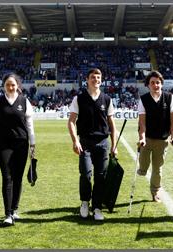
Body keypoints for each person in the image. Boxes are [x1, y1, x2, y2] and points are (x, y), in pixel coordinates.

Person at [0, 73, 35, 227]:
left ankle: (14, 209)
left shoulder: (24, 101)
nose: (10, 87)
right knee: (7, 177)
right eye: (7, 84)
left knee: (18, 178)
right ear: (4, 86)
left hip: (22, 144)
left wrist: (32, 144)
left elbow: (30, 124)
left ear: (18, 86)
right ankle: (7, 214)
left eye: (13, 84)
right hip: (4, 144)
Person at [68, 68, 117, 221]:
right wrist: (75, 141)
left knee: (101, 177)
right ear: (87, 80)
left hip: (103, 143)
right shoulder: (79, 99)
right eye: (93, 77)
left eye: (98, 77)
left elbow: (112, 126)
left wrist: (114, 145)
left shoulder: (107, 99)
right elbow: (71, 122)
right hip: (85, 143)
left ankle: (97, 207)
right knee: (85, 174)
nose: (96, 79)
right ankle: (84, 203)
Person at [136, 70, 173, 202]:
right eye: (152, 83)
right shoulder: (143, 100)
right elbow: (142, 123)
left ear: (161, 84)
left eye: (158, 83)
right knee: (143, 165)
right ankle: (142, 169)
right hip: (147, 138)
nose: (156, 85)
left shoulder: (169, 98)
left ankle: (155, 192)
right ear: (148, 85)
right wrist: (142, 138)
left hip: (162, 140)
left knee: (157, 169)